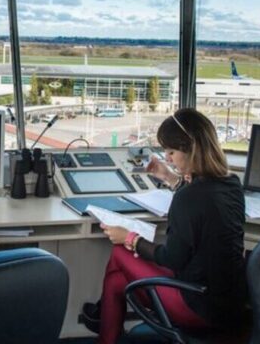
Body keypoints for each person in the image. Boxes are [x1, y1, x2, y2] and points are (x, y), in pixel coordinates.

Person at [97, 108, 246, 343]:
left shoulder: (188, 198)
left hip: (200, 305)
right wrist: (169, 177)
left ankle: (98, 316)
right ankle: (103, 326)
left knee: (119, 252)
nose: (167, 157)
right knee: (116, 282)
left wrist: (129, 238)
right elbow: (201, 201)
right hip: (230, 304)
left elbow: (173, 259)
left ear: (192, 150)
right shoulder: (231, 184)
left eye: (171, 151)